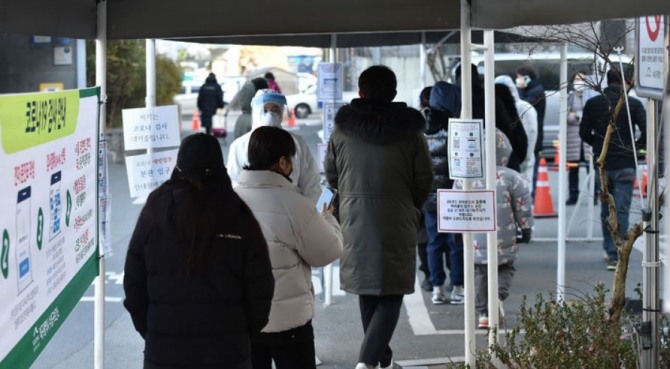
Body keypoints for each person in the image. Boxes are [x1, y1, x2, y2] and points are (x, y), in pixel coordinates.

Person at [123, 133, 275, 369]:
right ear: (219, 167)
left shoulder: (157, 207)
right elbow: (261, 288)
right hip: (228, 353)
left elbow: (133, 286)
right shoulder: (238, 213)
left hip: (164, 354)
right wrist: (242, 334)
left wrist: (152, 332)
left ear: (179, 166)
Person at [324, 65, 433, 369]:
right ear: (394, 93)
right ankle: (368, 362)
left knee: (368, 286)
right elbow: (424, 177)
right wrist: (411, 208)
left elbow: (331, 174)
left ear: (360, 92)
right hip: (398, 217)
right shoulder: (411, 132)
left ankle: (380, 360)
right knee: (392, 290)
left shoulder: (342, 130)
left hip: (354, 217)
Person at [234, 126, 343, 369]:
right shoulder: (297, 205)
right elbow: (329, 251)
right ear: (282, 162)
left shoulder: (228, 202)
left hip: (243, 321)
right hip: (290, 325)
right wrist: (325, 216)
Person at [455, 130, 533, 329]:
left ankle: (483, 313)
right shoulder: (513, 178)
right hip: (505, 234)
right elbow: (523, 206)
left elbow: (455, 204)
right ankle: (497, 296)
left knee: (480, 272)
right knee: (506, 267)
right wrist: (526, 229)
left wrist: (457, 231)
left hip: (475, 236)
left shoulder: (466, 178)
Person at [579, 68, 646, 270]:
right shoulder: (633, 103)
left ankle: (610, 251)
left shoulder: (593, 103)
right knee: (622, 209)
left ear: (607, 81)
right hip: (626, 162)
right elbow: (646, 131)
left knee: (606, 209)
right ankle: (619, 251)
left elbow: (583, 132)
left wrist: (598, 144)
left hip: (603, 162)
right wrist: (636, 146)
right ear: (626, 82)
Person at [227, 89, 322, 203]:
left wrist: (310, 212)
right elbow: (233, 182)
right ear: (256, 111)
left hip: (290, 208)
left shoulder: (297, 143)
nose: (270, 115)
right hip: (253, 209)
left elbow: (310, 183)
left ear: (282, 112)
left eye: (275, 110)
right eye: (265, 110)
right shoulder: (239, 146)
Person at [422, 81, 465, 305]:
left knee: (434, 242)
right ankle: (458, 287)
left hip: (429, 197)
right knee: (455, 242)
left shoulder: (421, 124)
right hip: (453, 194)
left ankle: (437, 288)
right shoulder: (456, 124)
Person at [455, 64, 528, 172]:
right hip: (499, 158)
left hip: (465, 162)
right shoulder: (491, 99)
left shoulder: (455, 100)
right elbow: (508, 127)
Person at [495, 75, 538, 184]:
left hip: (520, 160)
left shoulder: (524, 108)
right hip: (515, 160)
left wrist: (525, 160)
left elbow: (531, 133)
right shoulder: (496, 109)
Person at [566, 71, 598, 205]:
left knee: (591, 168)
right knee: (573, 168)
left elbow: (591, 117)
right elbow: (566, 117)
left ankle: (595, 194)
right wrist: (581, 116)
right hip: (573, 139)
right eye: (576, 79)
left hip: (587, 140)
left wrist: (577, 115)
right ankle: (573, 195)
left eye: (582, 79)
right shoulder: (570, 97)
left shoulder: (591, 97)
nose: (579, 82)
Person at [515, 64, 546, 198]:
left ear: (527, 78)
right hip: (532, 136)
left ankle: (529, 198)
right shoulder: (533, 90)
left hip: (533, 138)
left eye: (519, 78)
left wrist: (520, 90)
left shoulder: (535, 92)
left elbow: (522, 108)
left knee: (530, 169)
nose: (517, 80)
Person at [417, 85, 433, 292]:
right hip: (451, 191)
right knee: (451, 239)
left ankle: (430, 277)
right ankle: (457, 281)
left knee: (424, 238)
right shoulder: (454, 121)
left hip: (422, 196)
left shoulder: (411, 128)